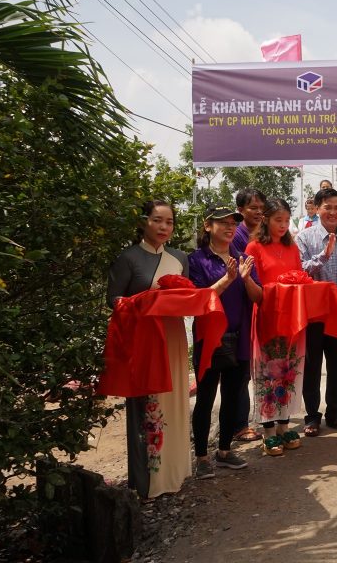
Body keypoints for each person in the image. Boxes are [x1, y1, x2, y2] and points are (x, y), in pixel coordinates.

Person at [106, 200, 192, 498]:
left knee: (174, 402)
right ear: (144, 222)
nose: (163, 227)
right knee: (149, 407)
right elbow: (114, 300)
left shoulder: (180, 257)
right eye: (157, 220)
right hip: (144, 343)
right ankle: (149, 483)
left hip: (174, 338)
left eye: (169, 222)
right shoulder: (128, 258)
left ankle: (176, 473)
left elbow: (187, 297)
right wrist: (145, 301)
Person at [187, 206, 257, 478]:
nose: (229, 228)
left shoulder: (243, 259)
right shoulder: (196, 260)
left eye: (233, 224)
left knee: (232, 395)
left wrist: (246, 278)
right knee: (205, 397)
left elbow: (258, 297)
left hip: (239, 338)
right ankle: (202, 456)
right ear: (207, 226)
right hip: (211, 336)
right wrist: (227, 280)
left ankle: (225, 450)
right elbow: (197, 299)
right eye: (222, 223)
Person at [296, 187, 337, 435]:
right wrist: (323, 256)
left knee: (336, 364)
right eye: (328, 207)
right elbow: (301, 271)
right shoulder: (305, 237)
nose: (333, 212)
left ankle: (335, 413)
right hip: (313, 311)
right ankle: (312, 416)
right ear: (317, 209)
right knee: (312, 364)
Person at [243, 199, 305, 457]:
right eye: (278, 220)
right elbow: (254, 293)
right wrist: (246, 279)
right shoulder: (254, 247)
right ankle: (268, 430)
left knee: (290, 371)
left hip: (293, 317)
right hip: (268, 316)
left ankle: (284, 425)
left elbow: (300, 278)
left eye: (287, 221)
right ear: (266, 219)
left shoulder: (292, 247)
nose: (283, 225)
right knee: (268, 373)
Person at [230, 188, 268, 443]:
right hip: (242, 304)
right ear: (241, 210)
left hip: (264, 301)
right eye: (252, 207)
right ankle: (239, 423)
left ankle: (267, 415)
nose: (257, 212)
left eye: (260, 207)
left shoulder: (267, 234)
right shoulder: (236, 236)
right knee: (242, 366)